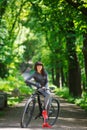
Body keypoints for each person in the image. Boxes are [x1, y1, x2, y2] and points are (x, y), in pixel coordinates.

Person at [25, 61, 52, 128]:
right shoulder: (34, 73)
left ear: (42, 67)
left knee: (48, 96)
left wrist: (45, 87)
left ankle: (45, 112)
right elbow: (27, 80)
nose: (39, 67)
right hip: (39, 88)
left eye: (40, 66)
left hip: (45, 87)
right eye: (37, 66)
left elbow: (47, 81)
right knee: (36, 95)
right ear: (36, 67)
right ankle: (42, 110)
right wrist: (35, 84)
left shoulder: (44, 72)